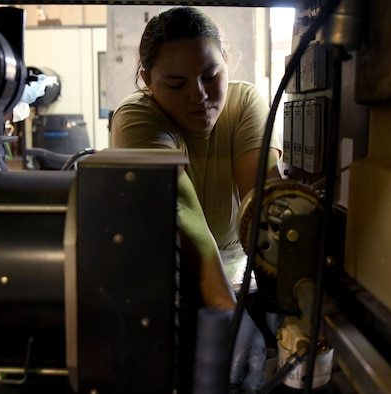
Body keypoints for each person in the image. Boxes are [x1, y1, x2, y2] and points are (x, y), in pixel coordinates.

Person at [110, 6, 283, 392]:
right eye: (176, 84)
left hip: (238, 281)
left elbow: (263, 205)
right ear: (147, 82)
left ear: (227, 64)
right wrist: (228, 314)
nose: (199, 96)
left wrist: (283, 301)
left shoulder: (243, 104)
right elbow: (180, 207)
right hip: (167, 289)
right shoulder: (137, 118)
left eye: (211, 76)